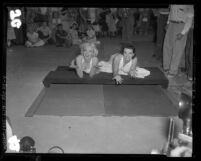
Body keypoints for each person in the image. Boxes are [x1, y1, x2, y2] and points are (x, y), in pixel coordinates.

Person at [162, 5, 194, 78]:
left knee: (177, 50)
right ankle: (166, 67)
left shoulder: (190, 6)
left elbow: (189, 19)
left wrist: (183, 32)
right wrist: (167, 23)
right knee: (167, 46)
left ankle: (173, 71)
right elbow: (171, 13)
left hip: (181, 25)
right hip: (171, 24)